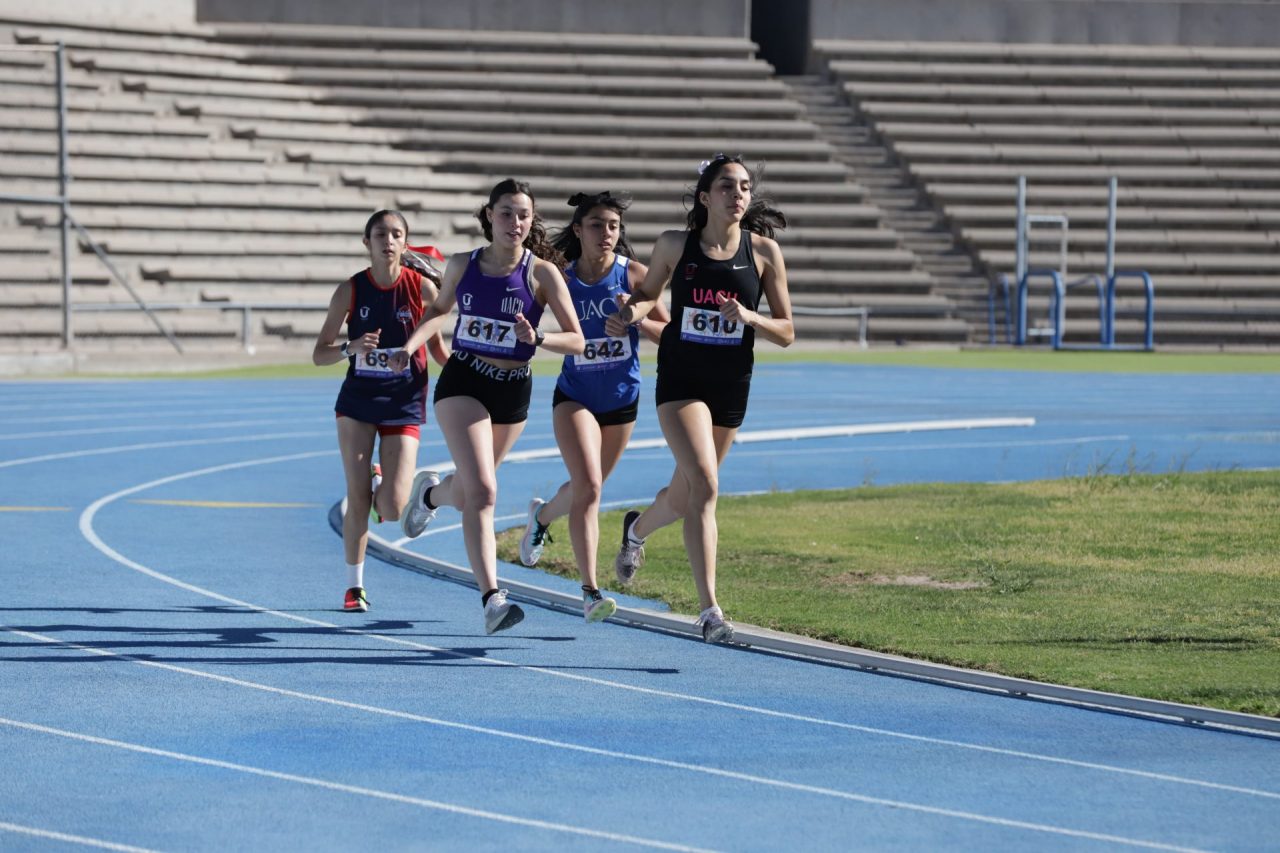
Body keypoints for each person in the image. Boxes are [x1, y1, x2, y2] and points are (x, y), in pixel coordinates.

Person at [604, 155, 795, 643]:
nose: (738, 195)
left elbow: (787, 331)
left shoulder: (764, 252)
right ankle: (710, 611)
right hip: (681, 380)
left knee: (685, 496)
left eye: (745, 187)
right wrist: (630, 314)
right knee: (706, 487)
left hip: (730, 384)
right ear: (706, 196)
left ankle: (636, 530)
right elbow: (649, 294)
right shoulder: (675, 244)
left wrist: (750, 318)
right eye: (727, 186)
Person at [390, 179, 585, 635]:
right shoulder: (464, 264)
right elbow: (439, 311)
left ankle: (431, 495)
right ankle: (492, 598)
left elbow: (577, 340)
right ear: (490, 216)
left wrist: (538, 336)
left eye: (523, 215)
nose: (514, 222)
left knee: (469, 491)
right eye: (506, 213)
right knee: (483, 491)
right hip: (465, 380)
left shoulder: (542, 274)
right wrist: (410, 345)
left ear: (532, 221)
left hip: (513, 391)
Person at [517, 191, 670, 622]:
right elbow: (526, 320)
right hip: (576, 396)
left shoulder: (634, 274)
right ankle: (589, 591)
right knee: (589, 487)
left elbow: (671, 333)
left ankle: (541, 517)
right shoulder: (560, 278)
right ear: (579, 230)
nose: (606, 233)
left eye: (614, 226)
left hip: (621, 400)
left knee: (588, 487)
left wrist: (636, 318)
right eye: (597, 225)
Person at [313, 209, 449, 613]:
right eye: (380, 234)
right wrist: (349, 348)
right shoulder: (350, 290)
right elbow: (319, 354)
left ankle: (385, 480)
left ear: (405, 243)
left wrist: (472, 374)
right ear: (367, 242)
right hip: (358, 401)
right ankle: (354, 587)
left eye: (396, 234)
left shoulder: (423, 289)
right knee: (357, 497)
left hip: (404, 401)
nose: (388, 241)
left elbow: (439, 350)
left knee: (391, 508)